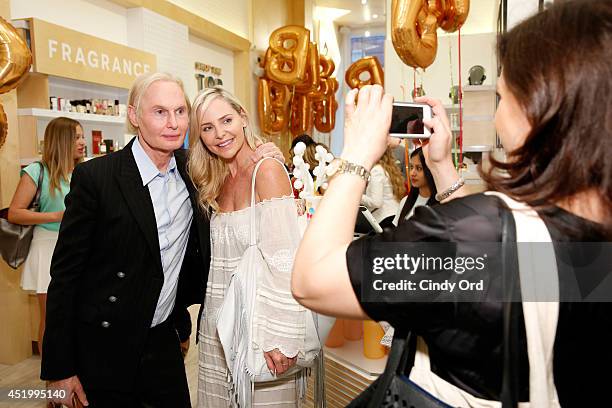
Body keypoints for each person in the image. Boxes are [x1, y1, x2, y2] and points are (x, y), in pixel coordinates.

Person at [292, 1, 612, 406]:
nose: (497, 118)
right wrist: (441, 166)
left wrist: (355, 153)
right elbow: (509, 263)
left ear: (538, 105)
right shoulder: (585, 227)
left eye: (502, 97)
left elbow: (311, 281)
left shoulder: (477, 241)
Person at [42, 72, 282, 408]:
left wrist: (263, 154)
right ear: (134, 116)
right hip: (103, 348)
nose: (173, 123)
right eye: (159, 112)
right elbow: (65, 278)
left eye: (180, 111)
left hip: (162, 344)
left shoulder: (194, 171)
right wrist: (60, 368)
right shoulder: (96, 178)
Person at [188, 87, 307, 407]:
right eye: (207, 128)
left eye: (226, 120)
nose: (219, 134)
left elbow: (285, 263)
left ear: (242, 117)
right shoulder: (212, 179)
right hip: (218, 325)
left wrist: (280, 338)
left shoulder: (266, 171)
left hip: (259, 329)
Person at [8, 117, 85, 356]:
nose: (83, 142)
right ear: (62, 141)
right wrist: (57, 216)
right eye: (77, 137)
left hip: (81, 248)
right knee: (53, 320)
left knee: (81, 317)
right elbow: (15, 213)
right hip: (48, 248)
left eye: (83, 137)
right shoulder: (37, 172)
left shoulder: (85, 172)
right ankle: (53, 378)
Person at [360, 147, 404, 227]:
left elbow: (376, 202)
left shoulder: (377, 170)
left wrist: (356, 196)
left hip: (384, 218)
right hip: (393, 216)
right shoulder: (388, 169)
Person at [393, 147, 438, 226]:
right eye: (411, 167)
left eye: (419, 168)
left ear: (430, 170)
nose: (412, 173)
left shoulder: (441, 204)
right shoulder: (406, 201)